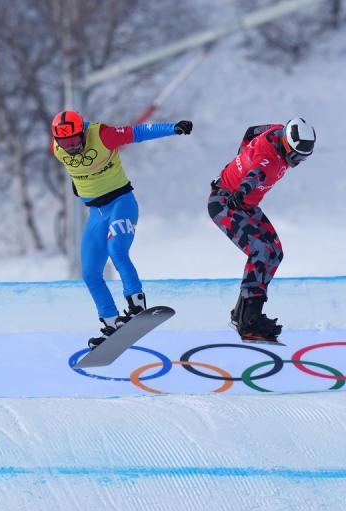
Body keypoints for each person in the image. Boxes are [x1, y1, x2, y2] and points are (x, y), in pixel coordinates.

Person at [51, 110, 193, 349]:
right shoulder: (57, 147)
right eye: (65, 143)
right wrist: (79, 187)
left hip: (121, 203)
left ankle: (137, 304)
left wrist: (172, 128)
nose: (71, 147)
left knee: (116, 249)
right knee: (90, 273)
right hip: (95, 214)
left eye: (75, 141)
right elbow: (78, 171)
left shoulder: (103, 135)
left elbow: (137, 133)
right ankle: (111, 323)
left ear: (83, 133)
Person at [208, 118, 316, 342]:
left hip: (244, 204)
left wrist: (240, 157)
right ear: (286, 145)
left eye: (304, 158)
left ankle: (242, 314)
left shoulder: (278, 130)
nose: (297, 162)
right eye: (296, 156)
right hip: (226, 202)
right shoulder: (270, 159)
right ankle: (250, 321)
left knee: (275, 252)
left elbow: (250, 131)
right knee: (261, 251)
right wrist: (240, 189)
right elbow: (255, 175)